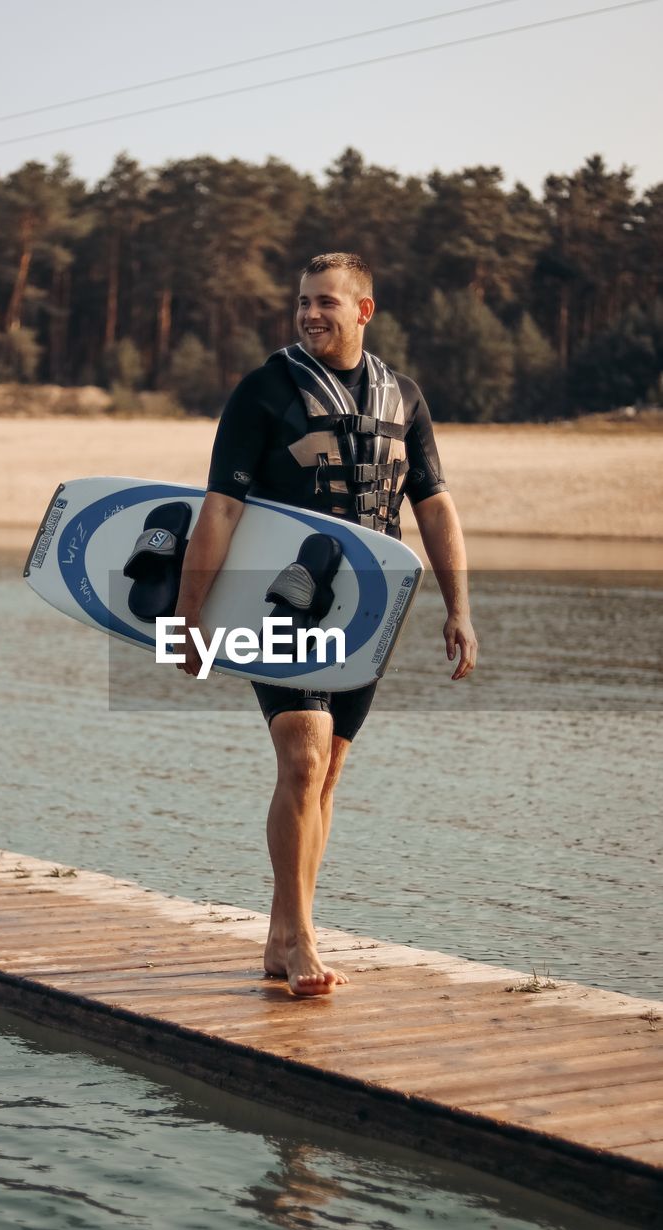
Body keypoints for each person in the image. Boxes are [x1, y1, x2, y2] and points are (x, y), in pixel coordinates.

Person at [174, 252, 477, 998]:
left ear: (363, 310)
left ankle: (281, 934)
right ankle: (303, 938)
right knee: (303, 761)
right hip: (281, 599)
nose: (310, 313)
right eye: (303, 301)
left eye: (326, 303)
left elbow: (432, 506)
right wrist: (189, 614)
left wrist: (458, 608)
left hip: (369, 613)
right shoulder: (263, 392)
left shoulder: (402, 396)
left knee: (328, 772)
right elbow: (219, 507)